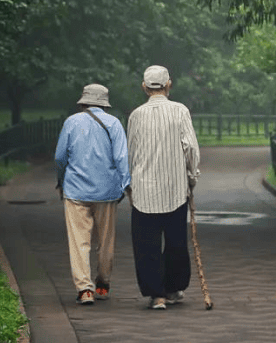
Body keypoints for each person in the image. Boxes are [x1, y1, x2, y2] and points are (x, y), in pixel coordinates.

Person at [126, 65, 200, 310]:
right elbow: (190, 148)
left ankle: (156, 295)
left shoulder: (136, 115)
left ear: (144, 87)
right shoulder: (180, 111)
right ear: (169, 85)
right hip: (175, 189)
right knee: (176, 242)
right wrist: (192, 176)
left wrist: (130, 184)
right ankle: (172, 288)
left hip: (144, 190)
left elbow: (132, 152)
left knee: (146, 245)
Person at [54, 83, 130, 305]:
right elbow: (122, 158)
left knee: (79, 242)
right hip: (107, 191)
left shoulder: (71, 122)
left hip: (76, 190)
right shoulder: (114, 123)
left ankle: (84, 289)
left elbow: (60, 157)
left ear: (83, 102)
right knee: (106, 241)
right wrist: (125, 185)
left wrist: (61, 180)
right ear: (105, 103)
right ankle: (103, 283)